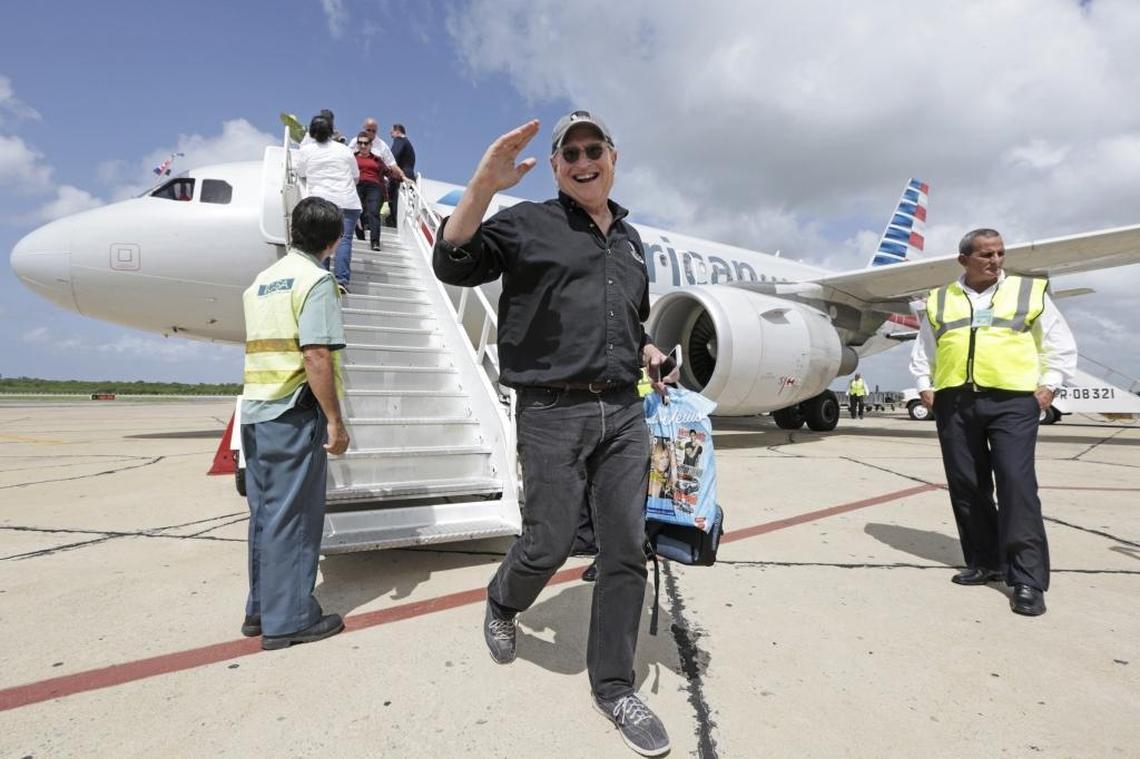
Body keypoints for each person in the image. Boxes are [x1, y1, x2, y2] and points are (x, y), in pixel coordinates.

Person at [432, 111, 675, 757]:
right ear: (561, 165)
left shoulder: (629, 241)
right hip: (551, 411)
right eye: (570, 152)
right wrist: (483, 184)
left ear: (613, 157)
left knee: (625, 548)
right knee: (548, 539)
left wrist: (647, 348)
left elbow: (627, 317)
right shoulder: (526, 223)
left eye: (594, 148)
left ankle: (615, 686)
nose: (582, 159)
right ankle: (502, 602)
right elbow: (454, 262)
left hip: (624, 411)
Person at [910, 228, 1076, 617]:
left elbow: (1058, 342)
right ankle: (985, 561)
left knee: (1017, 485)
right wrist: (923, 386)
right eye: (986, 254)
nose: (996, 260)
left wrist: (1050, 386)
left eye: (1000, 253)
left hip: (1012, 400)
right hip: (955, 400)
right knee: (967, 485)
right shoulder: (939, 299)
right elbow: (927, 346)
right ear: (963, 259)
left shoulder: (1027, 292)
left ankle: (1027, 580)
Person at [239, 196, 351, 650]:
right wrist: (334, 421)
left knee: (265, 515)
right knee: (295, 517)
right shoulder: (315, 280)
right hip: (292, 409)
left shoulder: (262, 281)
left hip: (256, 409)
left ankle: (261, 609)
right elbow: (316, 353)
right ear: (334, 240)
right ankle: (289, 620)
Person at [297, 115, 361, 294]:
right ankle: (341, 281)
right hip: (348, 201)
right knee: (344, 240)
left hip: (322, 201)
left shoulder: (307, 150)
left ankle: (321, 280)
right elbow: (356, 176)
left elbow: (301, 172)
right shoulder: (344, 150)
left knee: (320, 241)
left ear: (312, 132)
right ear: (332, 132)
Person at [353, 130, 390, 252]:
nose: (363, 146)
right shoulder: (352, 158)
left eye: (366, 143)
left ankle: (375, 242)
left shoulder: (377, 159)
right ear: (357, 144)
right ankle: (360, 236)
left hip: (374, 186)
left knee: (374, 212)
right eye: (360, 143)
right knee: (358, 211)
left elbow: (388, 172)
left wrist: (403, 177)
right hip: (357, 185)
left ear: (370, 145)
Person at [386, 122, 416, 227]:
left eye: (392, 131)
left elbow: (392, 157)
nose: (390, 133)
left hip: (400, 178)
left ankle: (396, 224)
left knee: (395, 204)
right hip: (409, 175)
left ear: (398, 132)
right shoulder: (408, 144)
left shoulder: (399, 140)